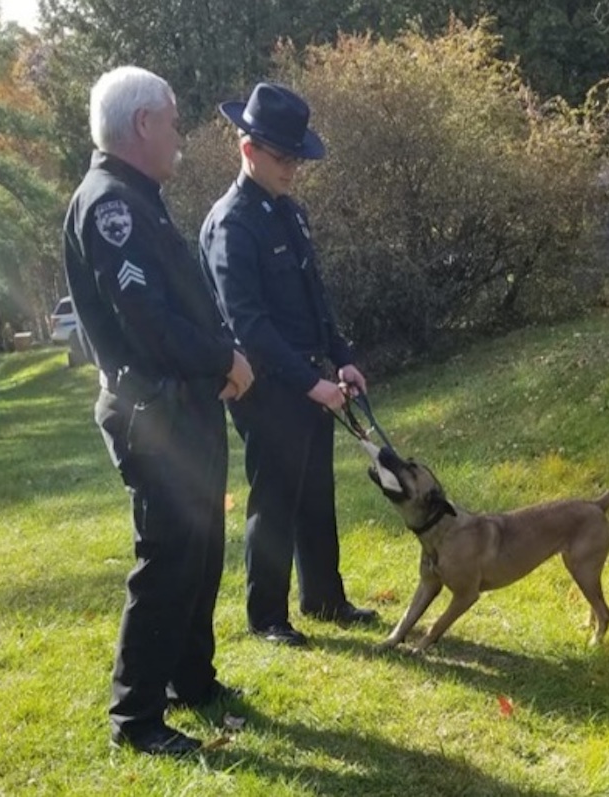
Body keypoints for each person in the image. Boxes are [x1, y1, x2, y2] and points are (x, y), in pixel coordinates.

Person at [62, 66, 254, 756]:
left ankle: (190, 680)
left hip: (185, 408)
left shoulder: (140, 197)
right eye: (172, 121)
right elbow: (149, 323)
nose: (179, 135)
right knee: (169, 556)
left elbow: (182, 302)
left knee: (201, 549)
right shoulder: (111, 205)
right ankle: (135, 717)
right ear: (144, 124)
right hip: (155, 415)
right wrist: (222, 361)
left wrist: (217, 360)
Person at [200, 82, 377, 647]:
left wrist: (342, 359)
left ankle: (325, 596)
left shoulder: (289, 213)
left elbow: (314, 296)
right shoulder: (231, 225)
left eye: (297, 158)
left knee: (315, 492)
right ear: (248, 149)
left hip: (311, 376)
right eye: (283, 157)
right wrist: (309, 384)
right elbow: (247, 324)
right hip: (266, 384)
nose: (293, 169)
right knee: (274, 498)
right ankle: (267, 616)